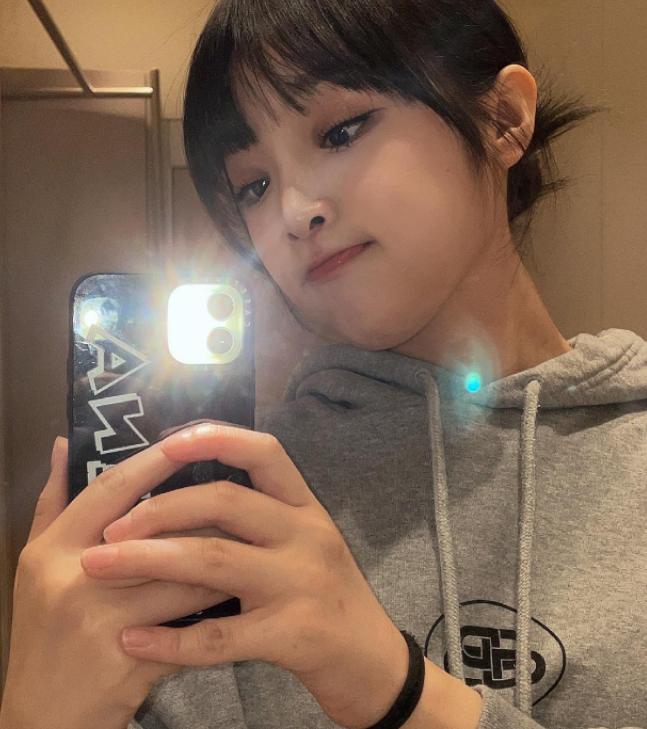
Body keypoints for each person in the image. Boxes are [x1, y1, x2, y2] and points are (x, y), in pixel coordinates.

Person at [2, 0, 645, 728]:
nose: (292, 211)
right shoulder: (224, 497)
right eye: (253, 185)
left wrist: (397, 690)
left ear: (503, 118)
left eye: (341, 131)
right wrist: (36, 714)